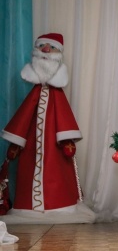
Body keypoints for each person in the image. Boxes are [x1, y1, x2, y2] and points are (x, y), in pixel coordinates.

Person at [2, 33, 83, 212]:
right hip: (31, 141)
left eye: (51, 47)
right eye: (42, 46)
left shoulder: (57, 94)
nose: (46, 50)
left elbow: (63, 114)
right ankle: (28, 206)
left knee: (56, 168)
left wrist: (67, 139)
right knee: (29, 166)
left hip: (54, 141)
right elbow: (24, 115)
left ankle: (58, 204)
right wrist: (17, 140)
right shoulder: (35, 93)